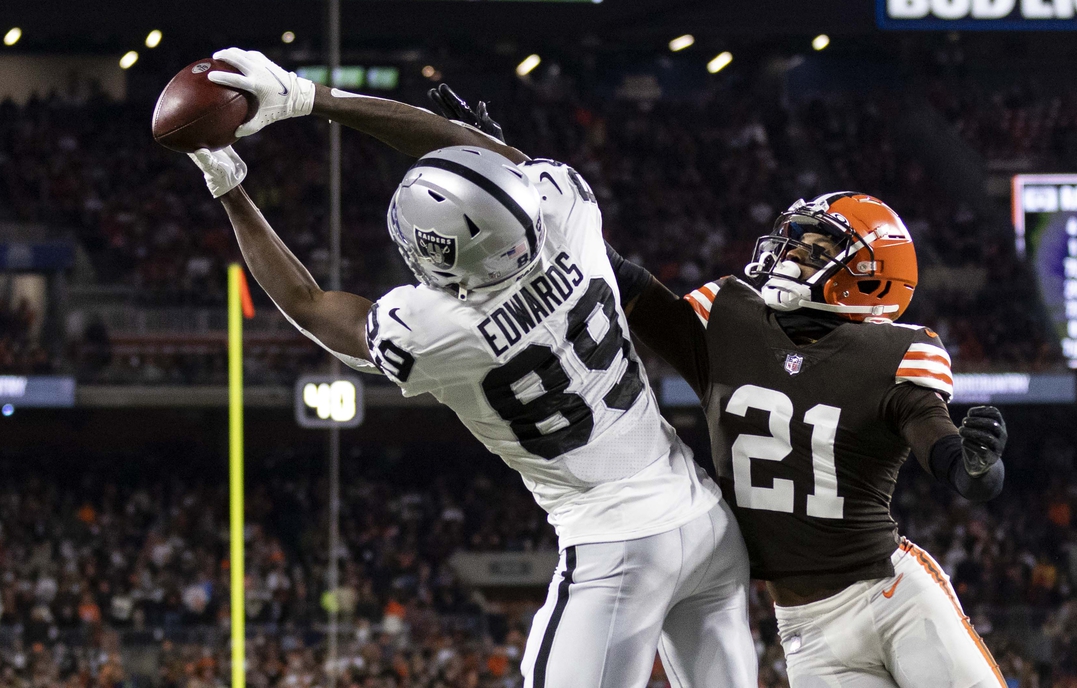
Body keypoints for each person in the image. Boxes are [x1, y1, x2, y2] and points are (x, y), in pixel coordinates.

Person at [184, 48, 757, 688]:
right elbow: (468, 147)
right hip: (706, 521)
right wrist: (310, 97)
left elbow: (308, 304)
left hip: (615, 546)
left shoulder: (438, 330)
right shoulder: (569, 213)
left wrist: (231, 190)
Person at [606, 191, 1010, 687]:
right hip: (806, 630)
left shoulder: (894, 354)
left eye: (818, 248)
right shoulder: (728, 320)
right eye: (797, 243)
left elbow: (947, 452)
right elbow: (627, 285)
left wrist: (977, 468)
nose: (791, 254)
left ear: (871, 275)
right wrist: (547, 220)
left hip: (895, 599)